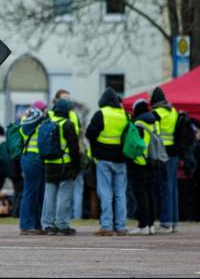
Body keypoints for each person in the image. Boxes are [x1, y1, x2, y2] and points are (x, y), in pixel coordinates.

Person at [86, 87, 128, 236]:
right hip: (121, 159)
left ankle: (106, 225)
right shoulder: (124, 115)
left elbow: (89, 133)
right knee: (120, 193)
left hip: (103, 159)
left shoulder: (101, 114)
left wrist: (96, 149)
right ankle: (121, 226)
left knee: (105, 192)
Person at [41, 99, 81, 235]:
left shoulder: (46, 123)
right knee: (64, 196)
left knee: (50, 196)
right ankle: (62, 225)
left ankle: (47, 225)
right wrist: (77, 166)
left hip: (49, 164)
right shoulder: (67, 125)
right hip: (65, 165)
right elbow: (74, 148)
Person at [151, 87, 180, 233]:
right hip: (174, 153)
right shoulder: (173, 111)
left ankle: (165, 223)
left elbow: (154, 135)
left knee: (165, 188)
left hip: (163, 154)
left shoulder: (156, 113)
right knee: (173, 188)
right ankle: (174, 222)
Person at [128, 99, 158, 235]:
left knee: (141, 194)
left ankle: (143, 225)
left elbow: (135, 144)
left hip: (140, 162)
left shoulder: (138, 123)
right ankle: (151, 224)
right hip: (153, 161)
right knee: (151, 193)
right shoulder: (155, 122)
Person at [19, 101, 47, 235]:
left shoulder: (33, 120)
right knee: (30, 193)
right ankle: (26, 224)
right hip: (32, 158)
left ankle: (36, 224)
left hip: (35, 159)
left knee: (37, 194)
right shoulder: (30, 120)